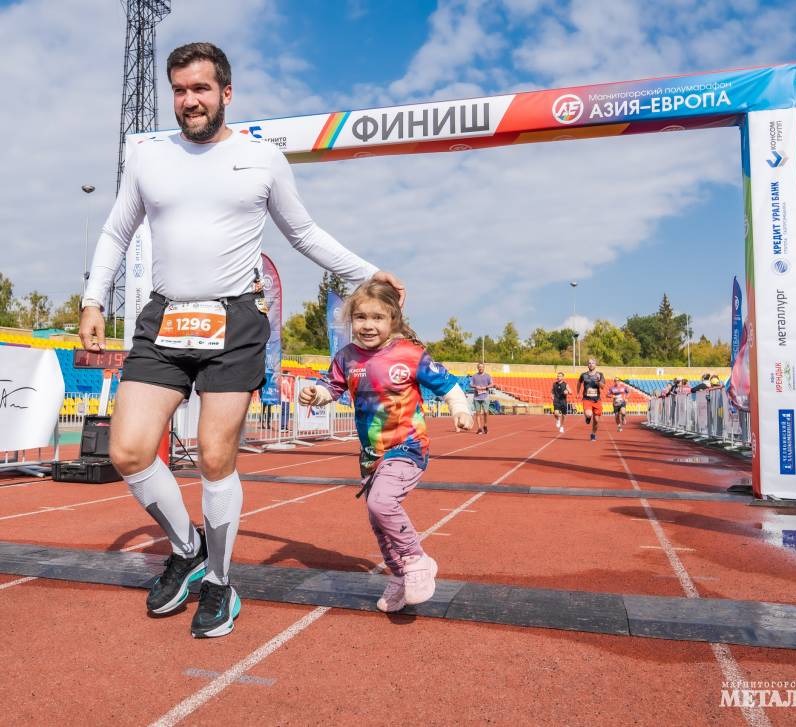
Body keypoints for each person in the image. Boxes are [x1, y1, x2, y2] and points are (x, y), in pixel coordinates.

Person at [78, 42, 404, 639]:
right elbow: (116, 230)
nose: (189, 101)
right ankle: (187, 548)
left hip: (234, 320)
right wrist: (93, 299)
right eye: (179, 90)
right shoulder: (148, 158)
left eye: (200, 89)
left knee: (213, 456)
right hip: (164, 316)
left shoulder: (262, 159)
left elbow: (303, 232)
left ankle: (220, 584)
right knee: (126, 451)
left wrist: (367, 273)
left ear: (225, 93)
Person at [299, 281, 472, 612]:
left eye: (377, 317)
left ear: (393, 319)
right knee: (378, 522)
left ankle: (417, 561)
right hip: (371, 455)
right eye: (360, 317)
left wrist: (461, 411)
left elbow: (449, 386)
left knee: (382, 503)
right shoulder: (346, 357)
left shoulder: (409, 354)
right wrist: (315, 395)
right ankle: (398, 575)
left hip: (407, 447)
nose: (368, 325)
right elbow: (330, 388)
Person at [576, 358, 606, 441]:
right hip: (587, 399)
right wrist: (578, 393)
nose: (591, 364)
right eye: (589, 363)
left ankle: (593, 434)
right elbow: (579, 383)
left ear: (595, 365)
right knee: (589, 414)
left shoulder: (600, 374)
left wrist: (598, 381)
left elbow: (603, 387)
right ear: (587, 365)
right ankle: (588, 417)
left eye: (592, 363)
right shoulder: (583, 375)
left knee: (596, 420)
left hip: (597, 400)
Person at [469, 362, 493, 434]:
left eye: (482, 367)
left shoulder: (488, 376)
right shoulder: (474, 376)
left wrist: (486, 387)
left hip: (485, 396)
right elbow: (470, 384)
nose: (480, 368)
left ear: (484, 368)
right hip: (477, 397)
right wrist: (475, 386)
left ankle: (485, 425)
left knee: (485, 412)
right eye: (479, 367)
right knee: (478, 413)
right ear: (477, 368)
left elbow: (492, 384)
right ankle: (479, 428)